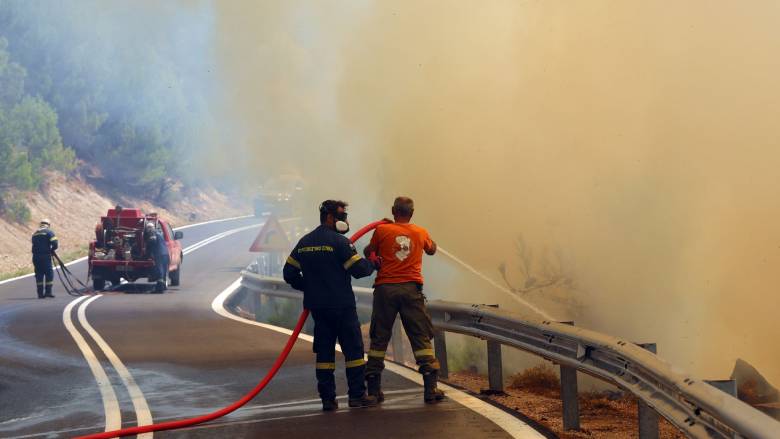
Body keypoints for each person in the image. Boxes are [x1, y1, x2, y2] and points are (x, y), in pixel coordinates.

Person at [283, 200, 377, 411]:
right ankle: (357, 396)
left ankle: (327, 399)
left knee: (324, 355)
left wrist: (309, 288)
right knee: (353, 352)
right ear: (329, 217)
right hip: (342, 307)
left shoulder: (304, 242)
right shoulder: (340, 242)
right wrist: (374, 263)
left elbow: (288, 273)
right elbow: (359, 270)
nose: (345, 220)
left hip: (319, 309)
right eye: (341, 216)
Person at [362, 196, 445, 404]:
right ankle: (430, 389)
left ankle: (373, 391)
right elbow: (432, 249)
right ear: (412, 213)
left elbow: (368, 252)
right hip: (411, 291)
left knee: (379, 338)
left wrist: (383, 230)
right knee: (420, 337)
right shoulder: (420, 232)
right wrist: (429, 241)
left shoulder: (381, 231)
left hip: (385, 290)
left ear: (393, 210)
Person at [31, 219, 58, 299]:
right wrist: (52, 250)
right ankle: (48, 292)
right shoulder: (49, 232)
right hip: (45, 257)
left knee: (39, 274)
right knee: (49, 273)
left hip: (36, 257)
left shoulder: (35, 234)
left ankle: (40, 294)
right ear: (48, 225)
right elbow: (55, 244)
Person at [144, 222, 169, 293]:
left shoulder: (152, 233)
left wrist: (147, 254)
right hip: (165, 254)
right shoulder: (159, 232)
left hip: (159, 254)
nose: (148, 230)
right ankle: (163, 286)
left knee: (159, 270)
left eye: (148, 228)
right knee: (163, 270)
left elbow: (152, 241)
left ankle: (159, 289)